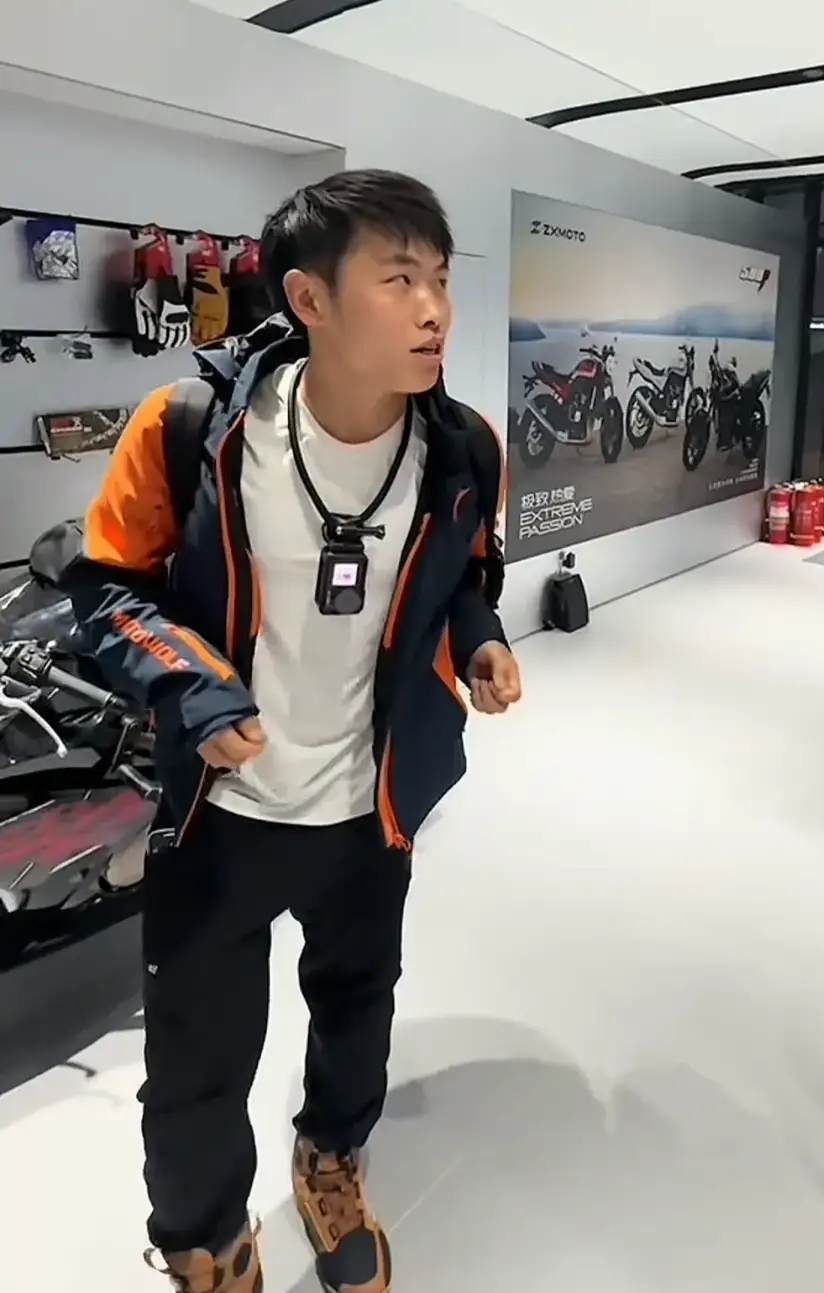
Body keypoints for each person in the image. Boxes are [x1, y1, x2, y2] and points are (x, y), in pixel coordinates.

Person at [63, 169, 522, 1293]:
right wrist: (198, 689)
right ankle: (207, 1242)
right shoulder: (188, 430)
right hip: (221, 810)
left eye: (442, 280)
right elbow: (108, 589)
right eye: (399, 279)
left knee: (358, 1010)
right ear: (310, 299)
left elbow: (465, 576)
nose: (435, 310)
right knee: (196, 1055)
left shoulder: (465, 449)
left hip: (373, 805)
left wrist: (479, 639)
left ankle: (331, 1159)